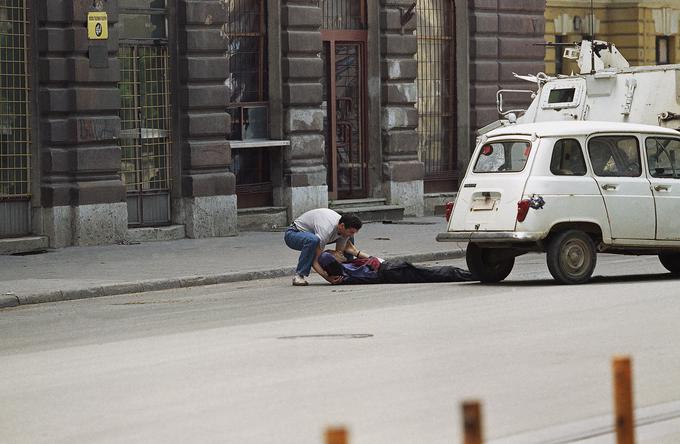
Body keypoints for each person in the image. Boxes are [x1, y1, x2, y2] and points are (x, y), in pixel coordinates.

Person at [284, 209, 367, 286]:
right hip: (293, 234)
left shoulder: (343, 226)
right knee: (313, 241)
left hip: (315, 235)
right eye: (351, 231)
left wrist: (372, 259)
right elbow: (316, 261)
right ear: (342, 226)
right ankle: (299, 276)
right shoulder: (325, 230)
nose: (352, 234)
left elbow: (342, 252)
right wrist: (327, 277)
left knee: (348, 237)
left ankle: (348, 271)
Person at [317, 251, 474, 284]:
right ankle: (472, 275)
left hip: (390, 270)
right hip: (389, 270)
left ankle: (471, 274)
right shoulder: (345, 275)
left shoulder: (344, 272)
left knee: (430, 273)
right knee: (431, 273)